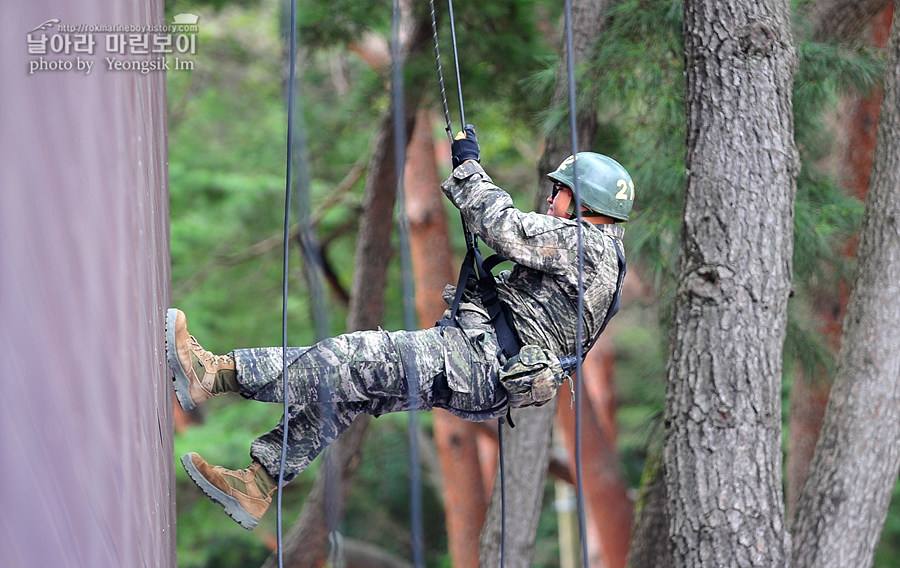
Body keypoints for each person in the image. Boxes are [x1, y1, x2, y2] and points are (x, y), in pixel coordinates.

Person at [167, 126, 634, 530]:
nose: (551, 200)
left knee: (351, 359)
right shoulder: (597, 254)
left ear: (586, 203)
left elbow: (504, 227)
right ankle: (257, 484)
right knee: (350, 392)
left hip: (476, 361)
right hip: (481, 367)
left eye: (561, 192)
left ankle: (213, 374)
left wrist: (470, 168)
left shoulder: (587, 244)